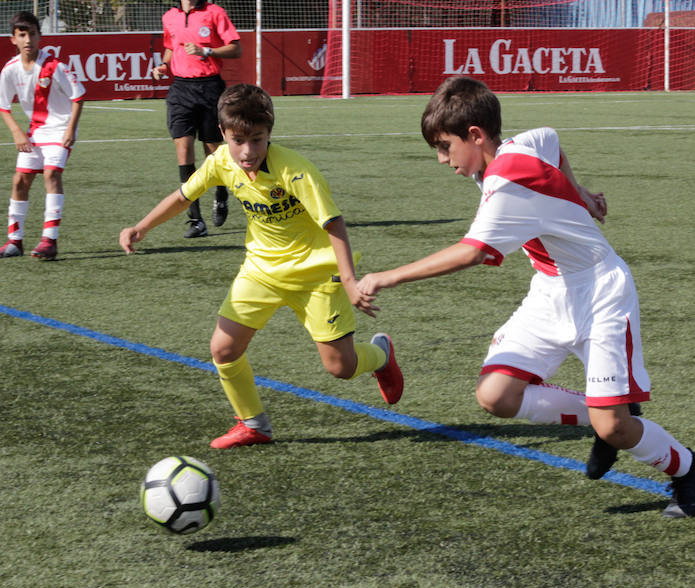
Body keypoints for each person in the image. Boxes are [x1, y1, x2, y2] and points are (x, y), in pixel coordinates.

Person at [356, 76, 695, 518]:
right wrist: (579, 192)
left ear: (475, 135)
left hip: (601, 294)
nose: (441, 158)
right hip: (549, 292)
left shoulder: (508, 180)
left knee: (616, 426)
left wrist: (384, 277)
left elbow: (472, 253)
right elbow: (550, 138)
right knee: (496, 396)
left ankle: (689, 468)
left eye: (445, 146)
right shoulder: (517, 146)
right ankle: (604, 417)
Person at [119, 84, 404, 448]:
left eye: (257, 139)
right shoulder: (221, 161)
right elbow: (183, 196)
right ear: (222, 134)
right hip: (261, 271)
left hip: (316, 275)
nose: (248, 151)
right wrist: (141, 227)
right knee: (223, 350)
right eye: (238, 140)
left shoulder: (296, 171)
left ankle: (380, 355)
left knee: (340, 368)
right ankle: (254, 424)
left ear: (270, 132)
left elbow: (334, 224)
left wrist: (348, 280)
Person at [152, 0, 242, 238]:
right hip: (180, 89)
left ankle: (221, 193)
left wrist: (207, 51)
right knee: (183, 150)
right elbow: (171, 47)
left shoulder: (215, 12)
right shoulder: (170, 16)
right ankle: (196, 219)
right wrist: (163, 65)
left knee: (213, 153)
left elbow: (236, 48)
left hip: (210, 87)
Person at [0, 11, 85, 260]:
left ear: (40, 36)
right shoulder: (10, 70)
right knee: (19, 182)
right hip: (34, 131)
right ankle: (15, 241)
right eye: (22, 35)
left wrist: (70, 130)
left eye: (33, 35)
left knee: (51, 174)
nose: (28, 40)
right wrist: (17, 132)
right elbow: (3, 106)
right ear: (13, 39)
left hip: (60, 129)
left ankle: (50, 240)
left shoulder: (55, 66)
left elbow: (78, 96)